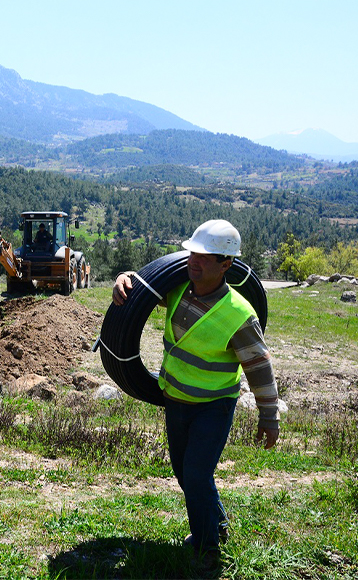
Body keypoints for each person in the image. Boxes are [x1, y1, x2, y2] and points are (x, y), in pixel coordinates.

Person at [112, 219, 280, 568]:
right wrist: (125, 278)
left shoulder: (238, 314)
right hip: (175, 401)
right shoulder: (178, 291)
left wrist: (269, 417)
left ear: (226, 265)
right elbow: (142, 289)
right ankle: (217, 524)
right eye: (194, 253)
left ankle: (207, 550)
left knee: (196, 474)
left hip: (213, 407)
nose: (195, 261)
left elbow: (259, 369)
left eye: (207, 257)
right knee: (184, 472)